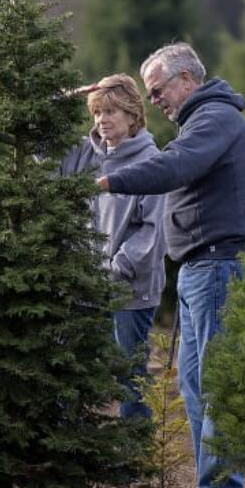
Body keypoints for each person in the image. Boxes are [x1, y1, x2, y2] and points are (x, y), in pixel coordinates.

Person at [98, 43, 245, 488]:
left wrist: (108, 182)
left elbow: (173, 167)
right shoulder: (202, 121)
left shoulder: (214, 119)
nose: (154, 102)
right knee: (192, 381)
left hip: (216, 265)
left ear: (185, 80)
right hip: (197, 268)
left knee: (211, 380)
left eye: (157, 90)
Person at [61, 74, 166, 421]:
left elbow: (151, 231)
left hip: (129, 291)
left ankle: (134, 454)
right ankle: (67, 443)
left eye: (111, 112)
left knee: (129, 376)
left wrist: (113, 269)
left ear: (133, 115)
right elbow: (36, 142)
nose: (102, 120)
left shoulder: (152, 162)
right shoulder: (83, 154)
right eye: (96, 113)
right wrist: (64, 98)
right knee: (69, 366)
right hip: (83, 287)